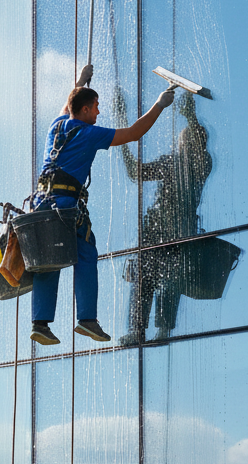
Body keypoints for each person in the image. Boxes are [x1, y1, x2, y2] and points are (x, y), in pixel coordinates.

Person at [29, 66, 178, 346]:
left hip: (41, 204)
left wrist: (79, 82)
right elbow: (134, 133)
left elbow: (67, 105)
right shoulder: (88, 133)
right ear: (84, 110)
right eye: (95, 107)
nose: (98, 113)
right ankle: (87, 320)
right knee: (85, 253)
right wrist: (160, 104)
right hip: (65, 205)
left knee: (48, 261)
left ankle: (40, 323)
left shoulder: (57, 125)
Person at [116, 91, 213, 345]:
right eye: (184, 139)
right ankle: (138, 331)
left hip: (179, 233)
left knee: (170, 281)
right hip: (155, 230)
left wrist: (192, 117)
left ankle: (162, 330)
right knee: (143, 282)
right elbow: (134, 172)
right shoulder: (172, 161)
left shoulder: (200, 164)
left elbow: (201, 152)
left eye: (190, 140)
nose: (183, 143)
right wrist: (122, 124)